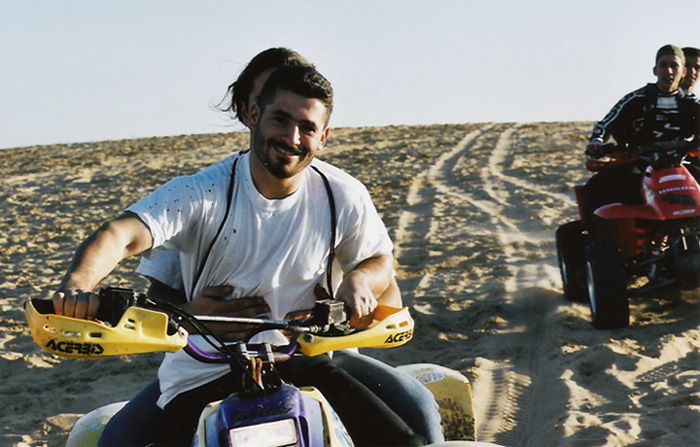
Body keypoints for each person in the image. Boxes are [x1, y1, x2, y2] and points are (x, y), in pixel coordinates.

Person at [52, 65, 428, 446]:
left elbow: (380, 260)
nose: (292, 137)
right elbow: (121, 234)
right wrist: (78, 286)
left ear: (324, 136)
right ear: (252, 115)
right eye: (280, 119)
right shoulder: (202, 192)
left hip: (301, 362)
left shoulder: (341, 194)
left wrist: (360, 280)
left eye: (307, 127)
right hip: (202, 373)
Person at [582, 44, 700, 230]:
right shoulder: (636, 99)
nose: (668, 71)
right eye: (663, 65)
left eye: (674, 66)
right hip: (640, 163)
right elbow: (605, 124)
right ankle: (596, 246)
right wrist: (596, 142)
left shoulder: (692, 103)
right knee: (595, 188)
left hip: (680, 164)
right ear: (655, 70)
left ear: (683, 71)